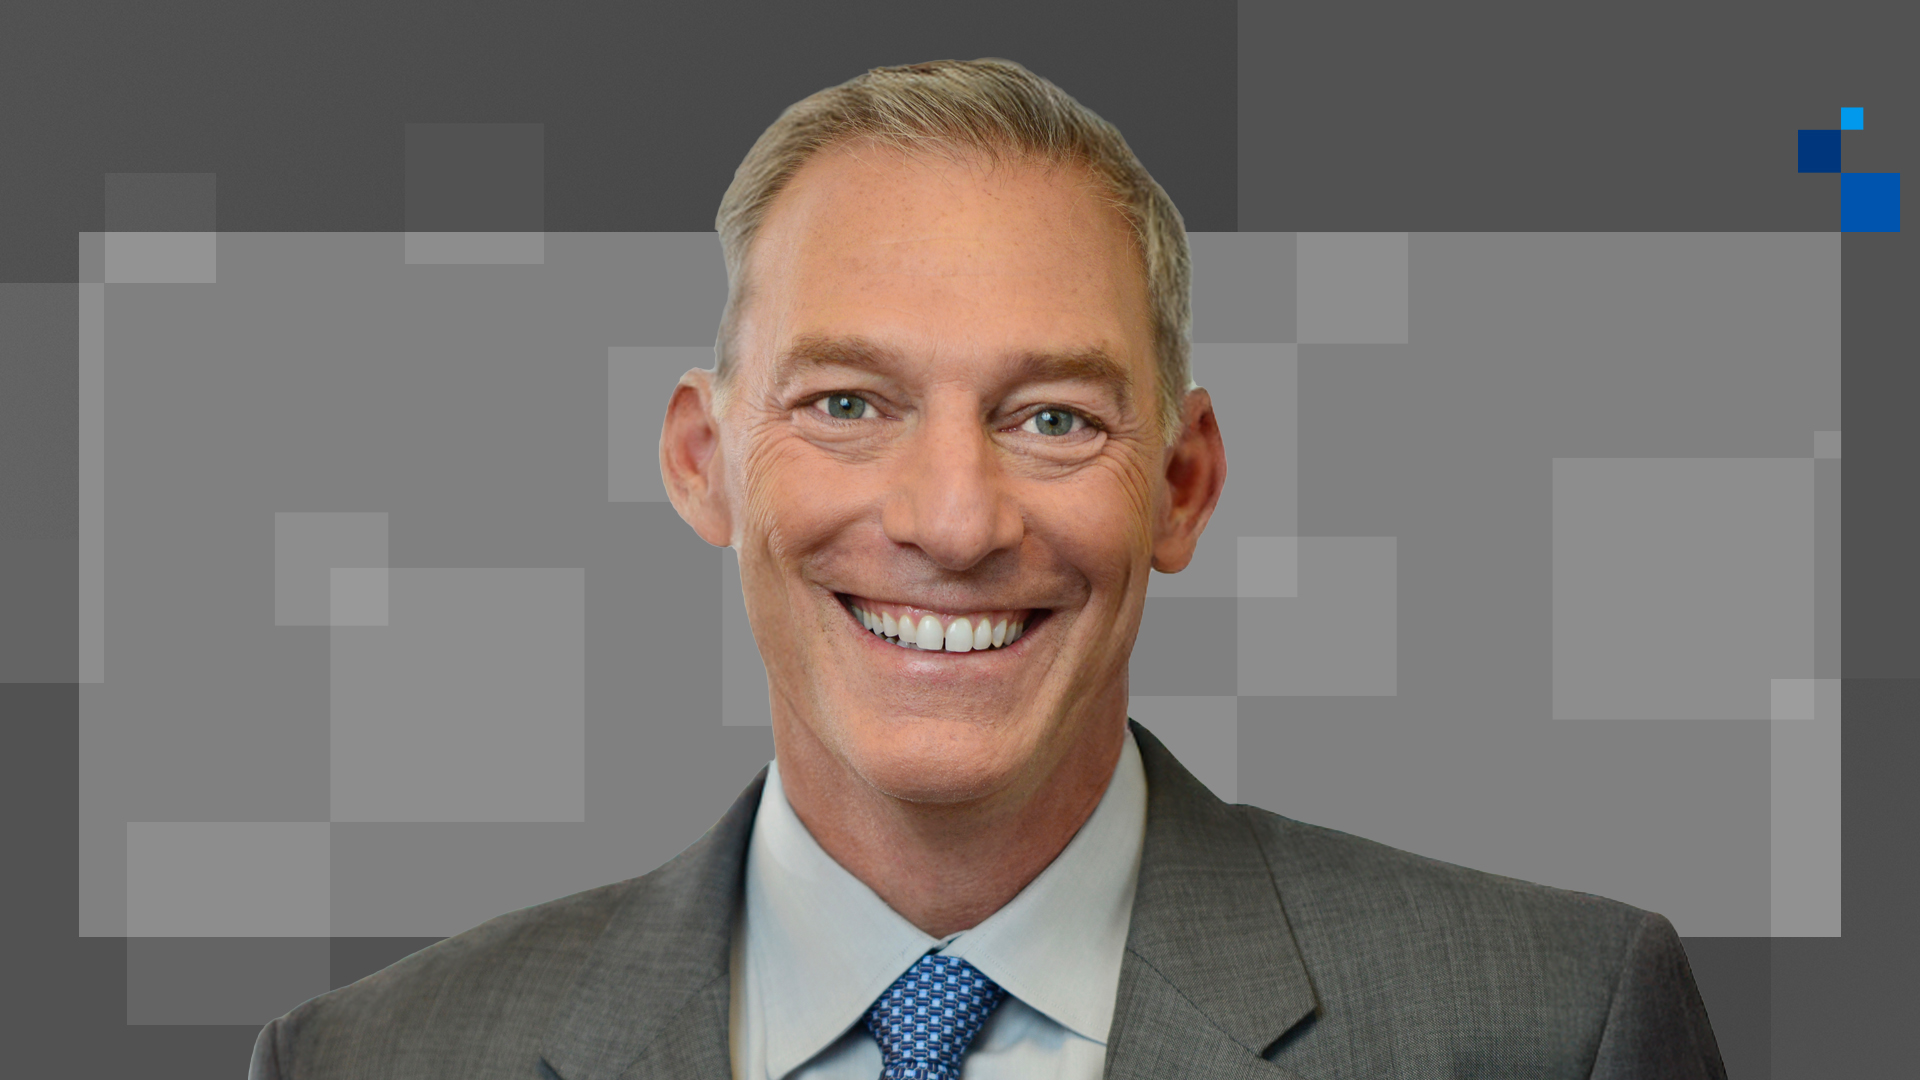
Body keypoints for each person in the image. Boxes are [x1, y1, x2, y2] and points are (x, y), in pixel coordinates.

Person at [250, 58, 1725, 1080]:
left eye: (1053, 418)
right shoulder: (375, 1061)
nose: (954, 521)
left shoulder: (1551, 1031)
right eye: (846, 404)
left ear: (1183, 483)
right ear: (705, 460)